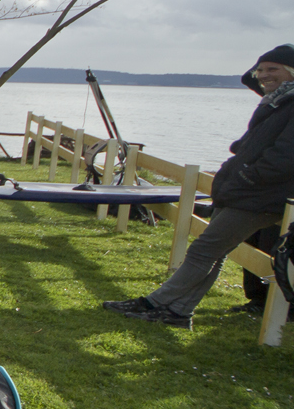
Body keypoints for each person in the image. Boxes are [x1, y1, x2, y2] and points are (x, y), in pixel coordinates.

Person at [103, 45, 294, 328]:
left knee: (205, 250)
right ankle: (179, 311)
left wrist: (246, 177)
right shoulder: (277, 103)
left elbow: (284, 157)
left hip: (260, 195)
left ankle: (156, 302)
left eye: (272, 69)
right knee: (214, 253)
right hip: (244, 191)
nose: (264, 75)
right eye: (261, 70)